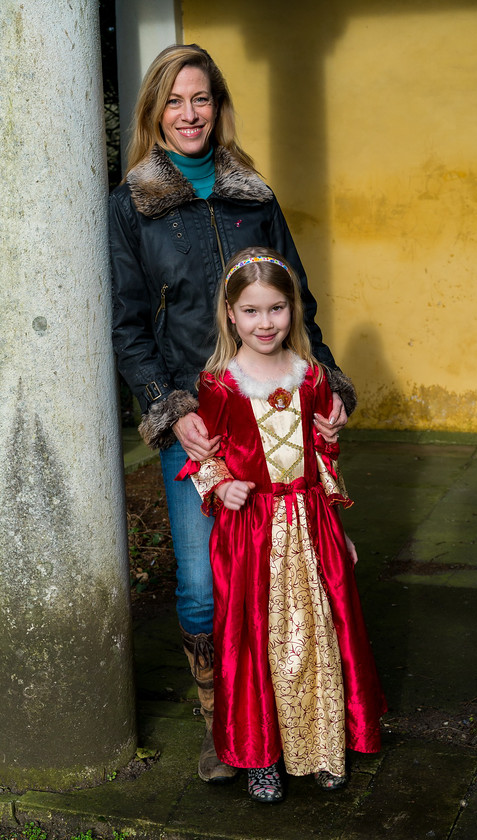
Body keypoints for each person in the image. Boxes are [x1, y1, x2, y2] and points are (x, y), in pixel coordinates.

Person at [109, 44, 358, 784]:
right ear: (154, 112)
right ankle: (224, 726)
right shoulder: (130, 207)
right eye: (175, 102)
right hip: (199, 417)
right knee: (201, 582)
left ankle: (288, 718)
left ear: (218, 108)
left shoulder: (255, 197)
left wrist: (331, 389)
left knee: (287, 572)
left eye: (202, 100)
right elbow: (126, 325)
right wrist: (167, 407)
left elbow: (298, 302)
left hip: (271, 410)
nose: (189, 115)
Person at [176, 247, 387, 803]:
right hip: (251, 534)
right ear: (230, 314)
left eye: (275, 309)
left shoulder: (312, 376)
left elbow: (324, 454)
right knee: (255, 641)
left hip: (311, 525)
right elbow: (203, 456)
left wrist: (339, 528)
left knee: (320, 636)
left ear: (292, 310)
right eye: (250, 311)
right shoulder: (219, 385)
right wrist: (222, 484)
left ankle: (323, 747)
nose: (264, 323)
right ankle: (259, 755)